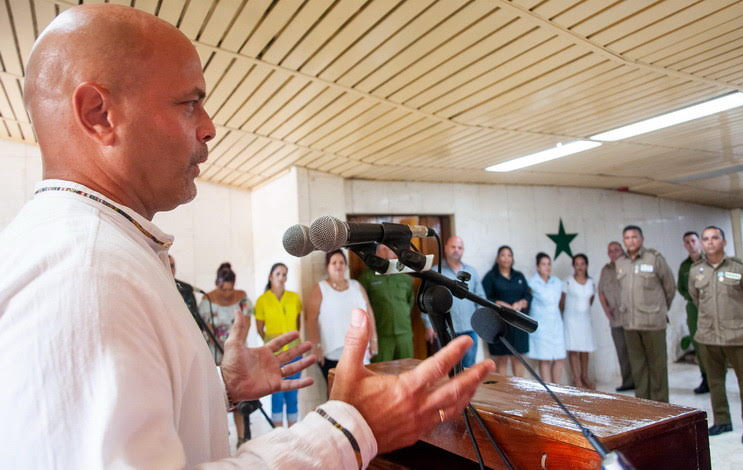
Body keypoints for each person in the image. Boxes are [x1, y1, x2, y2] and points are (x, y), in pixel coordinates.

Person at [0, 5, 494, 467]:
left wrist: (215, 389)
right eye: (190, 103)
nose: (210, 127)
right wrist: (350, 428)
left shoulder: (101, 248)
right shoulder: (81, 271)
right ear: (99, 115)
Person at [689, 226, 743, 445]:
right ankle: (722, 420)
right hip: (708, 336)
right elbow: (696, 299)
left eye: (715, 238)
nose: (710, 242)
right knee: (715, 382)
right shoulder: (697, 271)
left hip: (738, 336)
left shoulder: (739, 268)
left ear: (723, 242)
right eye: (705, 239)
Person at [616, 225, 676, 403]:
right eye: (627, 238)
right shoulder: (621, 262)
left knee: (657, 367)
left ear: (642, 239)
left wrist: (659, 310)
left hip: (653, 323)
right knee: (638, 369)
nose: (631, 241)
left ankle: (661, 407)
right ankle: (644, 406)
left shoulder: (654, 259)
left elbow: (670, 287)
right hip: (630, 324)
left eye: (634, 237)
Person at [306, 249, 378, 384]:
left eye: (341, 262)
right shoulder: (321, 288)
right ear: (327, 267)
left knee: (362, 390)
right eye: (334, 263)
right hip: (333, 352)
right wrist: (316, 347)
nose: (338, 266)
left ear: (346, 265)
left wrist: (373, 340)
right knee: (337, 394)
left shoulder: (356, 286)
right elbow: (311, 319)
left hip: (360, 350)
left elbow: (369, 313)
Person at [423, 235, 486, 368]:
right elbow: (425, 300)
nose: (456, 250)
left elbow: (481, 299)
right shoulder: (436, 272)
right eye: (453, 247)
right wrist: (429, 324)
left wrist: (481, 323)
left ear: (463, 250)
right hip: (445, 329)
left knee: (468, 368)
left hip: (470, 329)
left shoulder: (471, 271)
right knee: (447, 368)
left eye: (460, 247)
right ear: (445, 248)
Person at [255, 263, 303, 428]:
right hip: (274, 356)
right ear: (270, 277)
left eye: (284, 274)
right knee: (276, 394)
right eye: (278, 274)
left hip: (294, 352)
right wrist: (271, 344)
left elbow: (297, 324)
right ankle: (278, 434)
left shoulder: (294, 298)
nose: (281, 278)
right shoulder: (262, 300)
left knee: (292, 393)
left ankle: (293, 433)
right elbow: (260, 328)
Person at [359, 244, 415, 362]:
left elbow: (410, 301)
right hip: (381, 335)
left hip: (404, 333)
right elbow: (363, 306)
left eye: (390, 249)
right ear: (377, 253)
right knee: (382, 373)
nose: (388, 253)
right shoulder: (368, 277)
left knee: (408, 370)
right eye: (384, 249)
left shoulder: (404, 277)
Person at [482, 245, 532, 376]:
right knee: (502, 358)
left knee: (518, 357)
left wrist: (523, 302)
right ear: (498, 259)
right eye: (503, 255)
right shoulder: (491, 277)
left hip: (518, 323)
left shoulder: (519, 276)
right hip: (500, 323)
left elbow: (528, 294)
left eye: (509, 255)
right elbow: (485, 298)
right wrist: (499, 303)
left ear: (513, 259)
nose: (506, 258)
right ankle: (504, 395)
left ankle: (519, 393)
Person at [598, 241, 634, 392]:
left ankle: (642, 382)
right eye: (610, 251)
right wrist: (606, 310)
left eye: (616, 250)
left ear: (622, 251)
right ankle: (628, 382)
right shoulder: (606, 270)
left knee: (635, 352)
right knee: (622, 352)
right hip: (615, 318)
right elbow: (601, 292)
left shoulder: (630, 264)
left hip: (633, 318)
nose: (613, 253)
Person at [199, 263, 252, 364]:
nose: (227, 293)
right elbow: (207, 329)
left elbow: (247, 323)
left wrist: (239, 345)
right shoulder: (207, 301)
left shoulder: (242, 298)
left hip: (238, 348)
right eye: (223, 290)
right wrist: (223, 349)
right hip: (216, 350)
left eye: (230, 289)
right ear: (217, 285)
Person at [678, 231, 709, 394]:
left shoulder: (710, 261)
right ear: (684, 245)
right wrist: (692, 298)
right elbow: (680, 288)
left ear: (699, 242)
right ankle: (706, 378)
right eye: (687, 242)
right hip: (694, 310)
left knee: (717, 345)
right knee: (699, 344)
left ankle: (718, 378)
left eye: (693, 241)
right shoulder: (684, 266)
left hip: (712, 308)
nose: (690, 244)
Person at [527, 252, 566, 383]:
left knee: (559, 357)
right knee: (545, 359)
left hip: (556, 324)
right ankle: (549, 392)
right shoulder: (532, 283)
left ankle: (558, 389)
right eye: (543, 264)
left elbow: (560, 302)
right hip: (541, 326)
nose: (547, 267)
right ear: (537, 266)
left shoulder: (557, 282)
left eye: (549, 264)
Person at [562, 254, 597, 389]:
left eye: (582, 264)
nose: (580, 267)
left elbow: (591, 300)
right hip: (571, 319)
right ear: (573, 266)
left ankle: (585, 377)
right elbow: (562, 301)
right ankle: (576, 379)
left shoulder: (591, 282)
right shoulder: (568, 281)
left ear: (586, 265)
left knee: (585, 349)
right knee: (574, 349)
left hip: (585, 320)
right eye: (577, 264)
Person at [169, 254, 202, 326]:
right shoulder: (153, 288)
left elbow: (195, 316)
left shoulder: (185, 288)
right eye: (167, 266)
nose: (170, 270)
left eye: (172, 266)